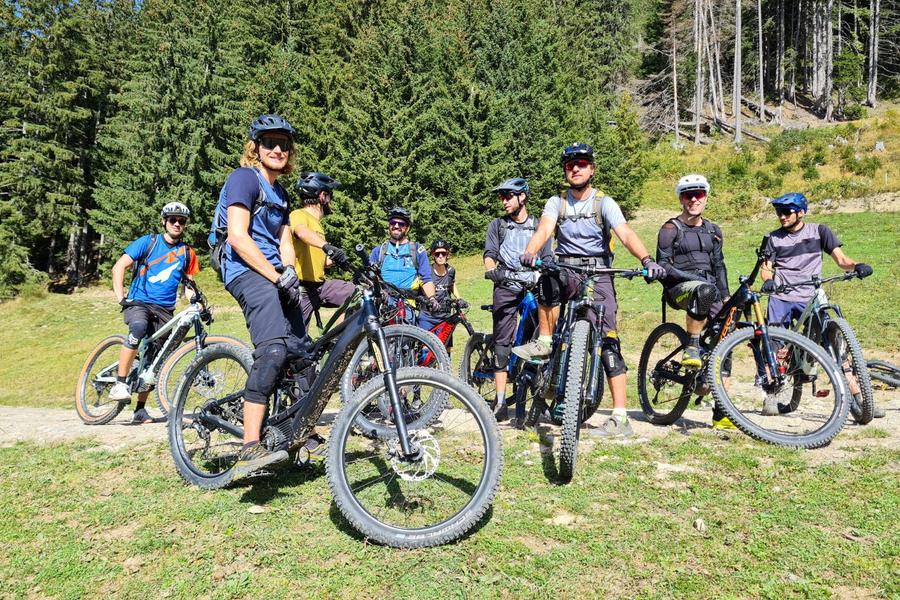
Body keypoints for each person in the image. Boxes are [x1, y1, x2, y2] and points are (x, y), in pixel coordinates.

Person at [513, 142, 666, 438]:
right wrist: (531, 251)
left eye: (582, 163)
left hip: (600, 271)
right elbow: (544, 229)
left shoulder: (604, 203)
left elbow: (624, 233)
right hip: (567, 268)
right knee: (546, 280)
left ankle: (620, 417)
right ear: (565, 171)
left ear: (592, 169)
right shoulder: (556, 202)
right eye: (570, 164)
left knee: (609, 341)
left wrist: (646, 259)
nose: (575, 168)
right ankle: (545, 341)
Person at [209, 113, 311, 480]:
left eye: (285, 144)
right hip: (243, 270)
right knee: (273, 349)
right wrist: (274, 276)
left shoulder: (281, 193)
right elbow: (237, 236)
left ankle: (298, 432)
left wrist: (289, 274)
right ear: (256, 147)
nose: (279, 149)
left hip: (273, 273)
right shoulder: (243, 179)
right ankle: (249, 446)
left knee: (302, 352)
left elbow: (285, 241)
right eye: (270, 143)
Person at [760, 192, 882, 418]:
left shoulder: (819, 231)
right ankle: (772, 394)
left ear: (801, 213)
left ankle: (860, 398)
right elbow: (766, 266)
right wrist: (768, 281)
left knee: (835, 344)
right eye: (779, 212)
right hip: (782, 295)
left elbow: (842, 260)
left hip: (811, 296)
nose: (782, 216)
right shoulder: (773, 238)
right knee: (774, 343)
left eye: (787, 212)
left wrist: (857, 266)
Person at [655, 174, 734, 429]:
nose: (693, 199)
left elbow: (719, 266)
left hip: (709, 288)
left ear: (706, 197)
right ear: (680, 198)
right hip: (679, 288)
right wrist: (697, 279)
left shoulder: (714, 230)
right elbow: (664, 266)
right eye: (688, 195)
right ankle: (691, 346)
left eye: (698, 194)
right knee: (702, 290)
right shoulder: (670, 229)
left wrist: (726, 296)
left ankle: (722, 411)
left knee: (728, 330)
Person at [109, 202, 199, 424]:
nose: (177, 224)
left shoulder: (187, 253)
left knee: (156, 358)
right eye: (172, 220)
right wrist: (121, 297)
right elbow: (119, 267)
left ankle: (140, 409)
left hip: (165, 310)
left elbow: (188, 285)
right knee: (138, 328)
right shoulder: (148, 242)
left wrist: (196, 301)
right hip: (139, 302)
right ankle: (120, 383)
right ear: (164, 222)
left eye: (182, 221)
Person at [483, 177, 552, 425]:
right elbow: (489, 255)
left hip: (532, 286)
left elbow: (547, 256)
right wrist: (492, 271)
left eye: (508, 196)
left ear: (522, 197)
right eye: (502, 197)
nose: (504, 201)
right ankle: (500, 402)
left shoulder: (538, 226)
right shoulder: (497, 226)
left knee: (543, 336)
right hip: (506, 285)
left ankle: (539, 394)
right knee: (502, 341)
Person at [289, 171, 354, 331]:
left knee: (357, 294)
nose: (331, 201)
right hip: (301, 289)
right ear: (323, 196)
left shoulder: (318, 224)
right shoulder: (298, 214)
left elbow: (320, 260)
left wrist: (337, 259)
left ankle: (340, 342)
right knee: (295, 344)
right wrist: (327, 246)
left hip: (320, 286)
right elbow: (301, 232)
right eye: (330, 196)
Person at [369, 207, 441, 318]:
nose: (396, 226)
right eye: (393, 222)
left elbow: (425, 279)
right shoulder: (378, 251)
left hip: (407, 306)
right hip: (382, 306)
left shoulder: (417, 250)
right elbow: (369, 278)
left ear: (407, 228)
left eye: (401, 224)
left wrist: (432, 298)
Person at [416, 239, 467, 347]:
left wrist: (459, 298)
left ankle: (445, 365)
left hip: (445, 317)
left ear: (448, 255)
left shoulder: (451, 271)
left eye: (443, 253)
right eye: (437, 253)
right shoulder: (426, 271)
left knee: (445, 349)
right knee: (425, 349)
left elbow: (452, 284)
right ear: (433, 255)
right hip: (427, 316)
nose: (440, 256)